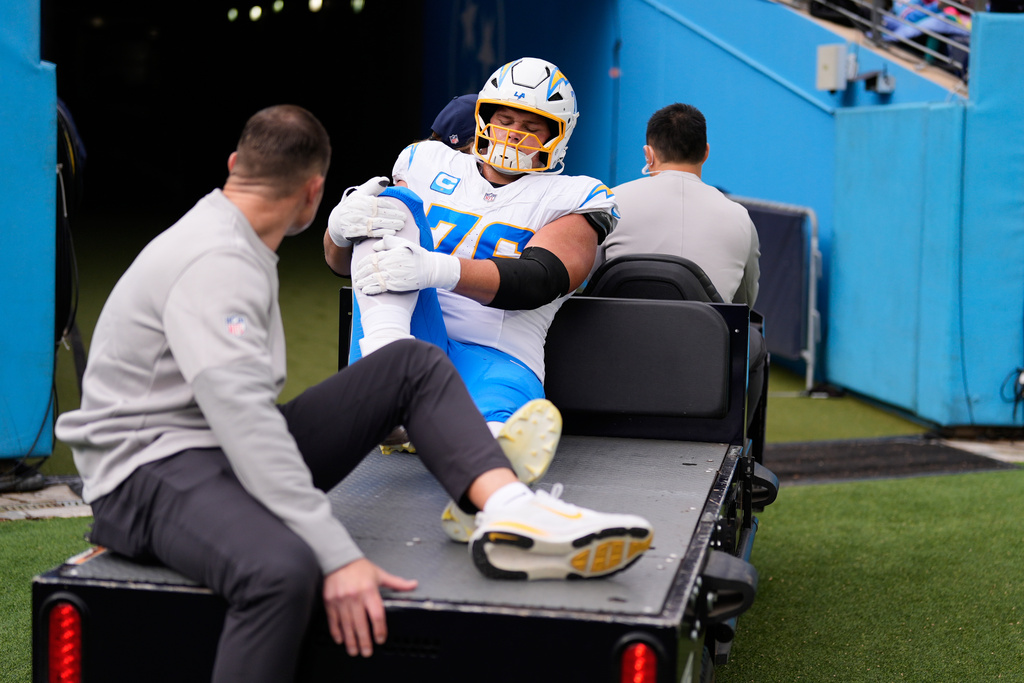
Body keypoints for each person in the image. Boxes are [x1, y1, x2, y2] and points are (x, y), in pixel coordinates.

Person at [55, 105, 652, 683]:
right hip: (146, 476)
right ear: (316, 195)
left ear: (236, 162)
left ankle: (509, 512)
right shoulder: (218, 259)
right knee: (284, 571)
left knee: (409, 364)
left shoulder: (229, 235)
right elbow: (243, 424)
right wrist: (337, 554)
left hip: (208, 453)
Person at [323, 58, 618, 541]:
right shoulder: (426, 162)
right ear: (483, 116)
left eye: (531, 124)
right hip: (408, 331)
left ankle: (479, 483)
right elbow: (345, 261)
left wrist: (436, 267)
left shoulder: (574, 195)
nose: (515, 133)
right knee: (389, 206)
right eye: (506, 119)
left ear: (558, 134)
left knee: (503, 438)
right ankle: (388, 376)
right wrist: (339, 227)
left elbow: (541, 278)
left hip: (499, 357)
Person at [598, 102, 766, 429]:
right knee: (755, 341)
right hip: (706, 359)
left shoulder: (609, 202)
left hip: (614, 351)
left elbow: (583, 282)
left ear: (649, 154)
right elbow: (745, 304)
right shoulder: (739, 217)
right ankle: (737, 442)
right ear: (705, 151)